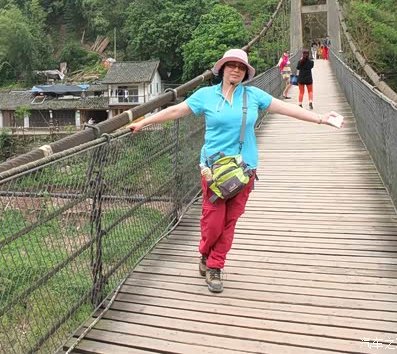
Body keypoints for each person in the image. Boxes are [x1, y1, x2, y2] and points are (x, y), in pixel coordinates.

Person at [128, 48, 341, 293]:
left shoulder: (253, 95)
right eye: (232, 65)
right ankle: (205, 252)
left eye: (241, 67)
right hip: (214, 170)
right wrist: (144, 122)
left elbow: (287, 109)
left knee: (229, 222)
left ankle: (215, 266)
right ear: (222, 69)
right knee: (213, 220)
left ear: (246, 73)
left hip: (244, 169)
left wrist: (320, 118)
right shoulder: (205, 95)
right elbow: (177, 110)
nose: (236, 70)